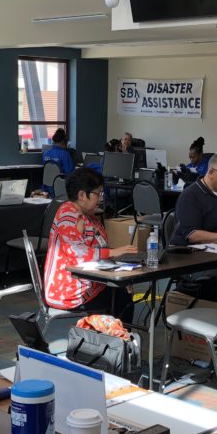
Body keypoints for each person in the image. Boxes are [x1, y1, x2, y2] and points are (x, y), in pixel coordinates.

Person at [43, 168, 136, 319]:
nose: (100, 199)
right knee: (122, 298)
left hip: (84, 284)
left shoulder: (87, 215)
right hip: (68, 293)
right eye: (97, 194)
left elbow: (100, 248)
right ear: (81, 195)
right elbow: (79, 255)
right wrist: (113, 252)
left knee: (122, 291)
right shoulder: (69, 216)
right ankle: (116, 333)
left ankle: (112, 333)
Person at [41, 128, 74, 195]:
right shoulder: (65, 154)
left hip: (48, 188)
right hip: (61, 188)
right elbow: (70, 173)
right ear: (63, 141)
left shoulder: (46, 153)